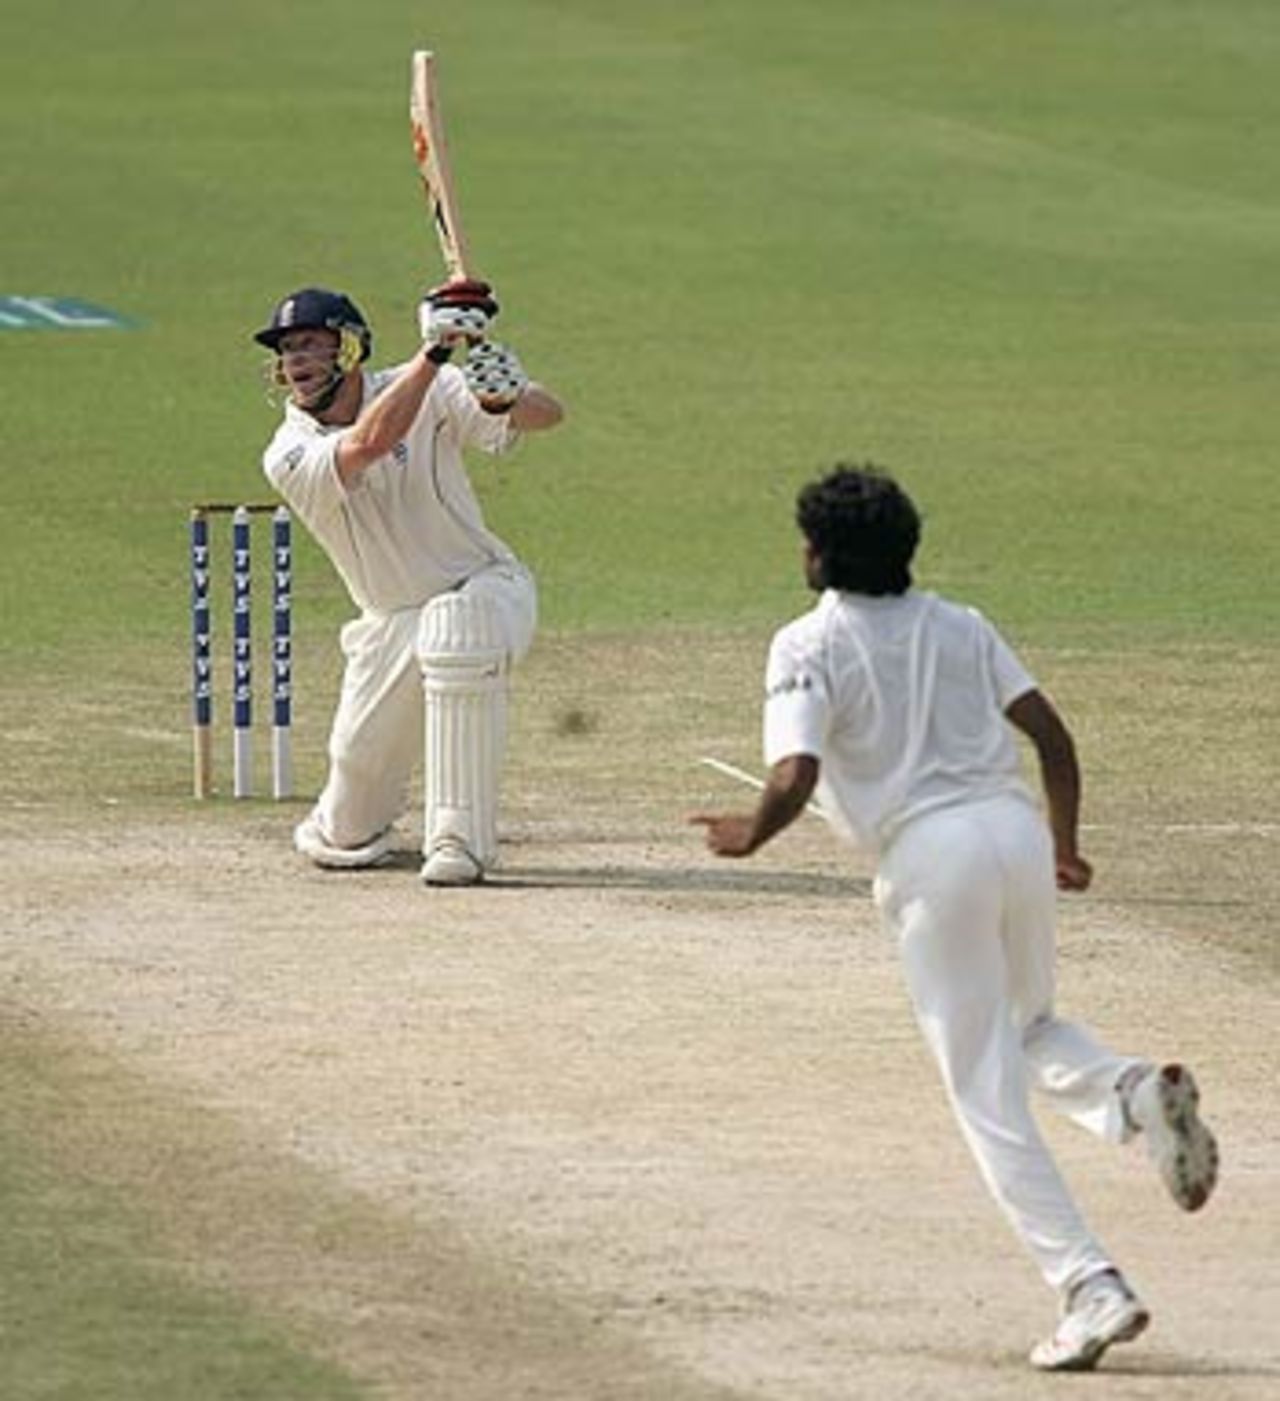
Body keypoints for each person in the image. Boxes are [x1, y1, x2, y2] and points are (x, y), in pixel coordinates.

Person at [690, 464, 1219, 1371]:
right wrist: (1063, 844)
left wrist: (749, 836)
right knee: (1030, 1026)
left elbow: (797, 774)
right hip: (1013, 833)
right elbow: (1052, 736)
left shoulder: (805, 642)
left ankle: (1090, 1285)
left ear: (819, 554)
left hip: (933, 860)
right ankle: (1132, 1093)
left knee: (983, 1091)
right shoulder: (962, 623)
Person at [254, 279, 564, 884]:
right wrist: (438, 352)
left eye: (312, 344)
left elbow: (550, 415)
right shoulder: (288, 453)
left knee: (455, 628)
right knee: (345, 832)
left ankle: (458, 840)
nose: (297, 361)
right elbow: (371, 441)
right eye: (288, 350)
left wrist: (505, 399)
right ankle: (352, 821)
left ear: (350, 348)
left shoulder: (433, 385)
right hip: (391, 624)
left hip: (487, 588)